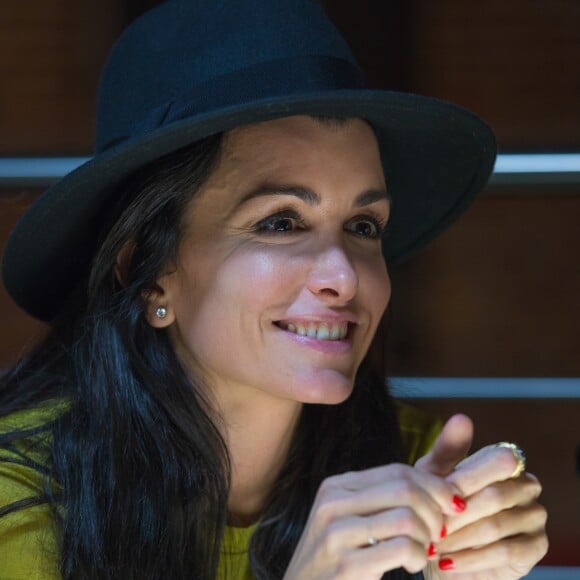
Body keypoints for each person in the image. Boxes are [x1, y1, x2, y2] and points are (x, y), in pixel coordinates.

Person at [0, 1, 547, 579]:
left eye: (364, 227)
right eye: (281, 223)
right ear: (147, 269)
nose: (344, 275)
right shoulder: (20, 495)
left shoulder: (417, 467)